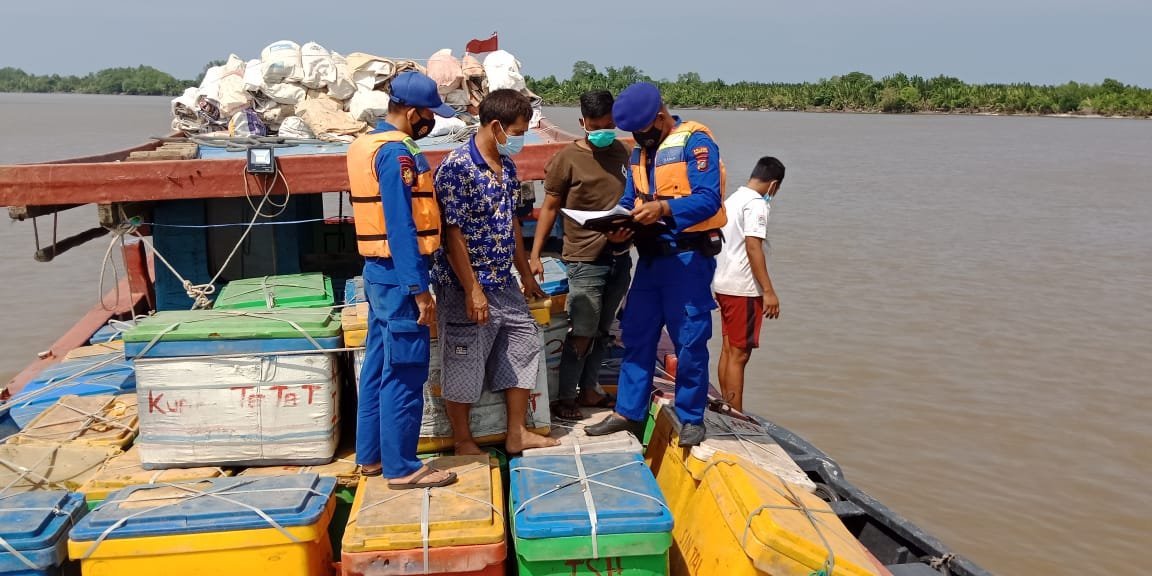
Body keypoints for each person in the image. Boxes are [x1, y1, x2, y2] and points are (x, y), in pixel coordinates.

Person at [586, 82, 727, 447]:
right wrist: (619, 225)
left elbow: (708, 199)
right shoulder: (640, 153)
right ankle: (627, 413)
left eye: (643, 130)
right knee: (637, 334)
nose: (638, 137)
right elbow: (631, 197)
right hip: (649, 260)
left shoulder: (696, 143)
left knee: (690, 339)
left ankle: (691, 416)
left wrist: (664, 208)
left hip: (687, 259)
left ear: (661, 118)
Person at [431, 88, 560, 455]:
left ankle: (516, 432)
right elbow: (452, 235)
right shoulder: (457, 168)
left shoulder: (508, 167)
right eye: (518, 132)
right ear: (497, 126)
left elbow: (512, 225)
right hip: (464, 285)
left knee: (523, 344)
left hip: (503, 281)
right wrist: (473, 290)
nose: (519, 139)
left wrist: (527, 275)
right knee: (464, 359)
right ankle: (462, 440)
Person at [350, 71, 459, 489]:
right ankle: (403, 468)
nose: (430, 121)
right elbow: (400, 226)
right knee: (406, 371)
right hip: (400, 277)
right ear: (412, 112)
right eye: (428, 113)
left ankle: (373, 458)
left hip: (378, 274)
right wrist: (420, 291)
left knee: (378, 367)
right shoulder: (396, 155)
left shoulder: (365, 144)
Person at [529, 90, 632, 420]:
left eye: (609, 124)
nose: (604, 130)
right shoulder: (566, 159)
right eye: (596, 125)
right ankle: (565, 397)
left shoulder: (620, 152)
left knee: (604, 332)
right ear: (582, 123)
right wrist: (534, 256)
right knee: (583, 331)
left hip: (619, 254)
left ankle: (589, 389)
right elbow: (548, 208)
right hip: (583, 259)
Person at [713, 157, 785, 413]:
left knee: (728, 349)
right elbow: (753, 246)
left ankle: (725, 406)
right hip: (743, 287)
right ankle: (735, 414)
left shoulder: (733, 200)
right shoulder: (756, 204)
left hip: (722, 282)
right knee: (740, 354)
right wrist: (768, 291)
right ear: (774, 185)